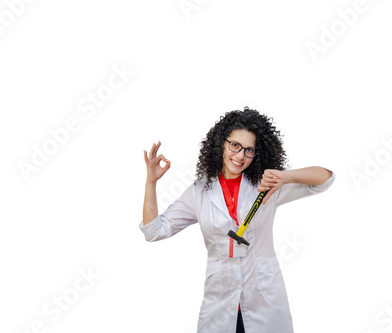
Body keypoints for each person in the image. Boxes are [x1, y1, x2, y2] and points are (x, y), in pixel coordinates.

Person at [140, 107, 335, 332]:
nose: (240, 155)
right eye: (235, 145)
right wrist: (151, 182)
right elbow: (153, 231)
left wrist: (285, 176)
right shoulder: (199, 193)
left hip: (265, 302)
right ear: (221, 144)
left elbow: (325, 179)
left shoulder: (268, 185)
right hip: (220, 306)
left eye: (249, 150)